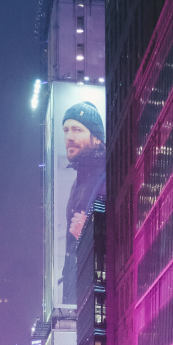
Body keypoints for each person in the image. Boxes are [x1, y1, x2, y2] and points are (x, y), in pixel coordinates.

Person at [60, 100, 105, 303]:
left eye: (77, 130)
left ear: (96, 139)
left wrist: (88, 232)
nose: (69, 137)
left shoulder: (106, 175)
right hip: (78, 287)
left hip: (95, 293)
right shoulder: (80, 179)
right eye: (66, 130)